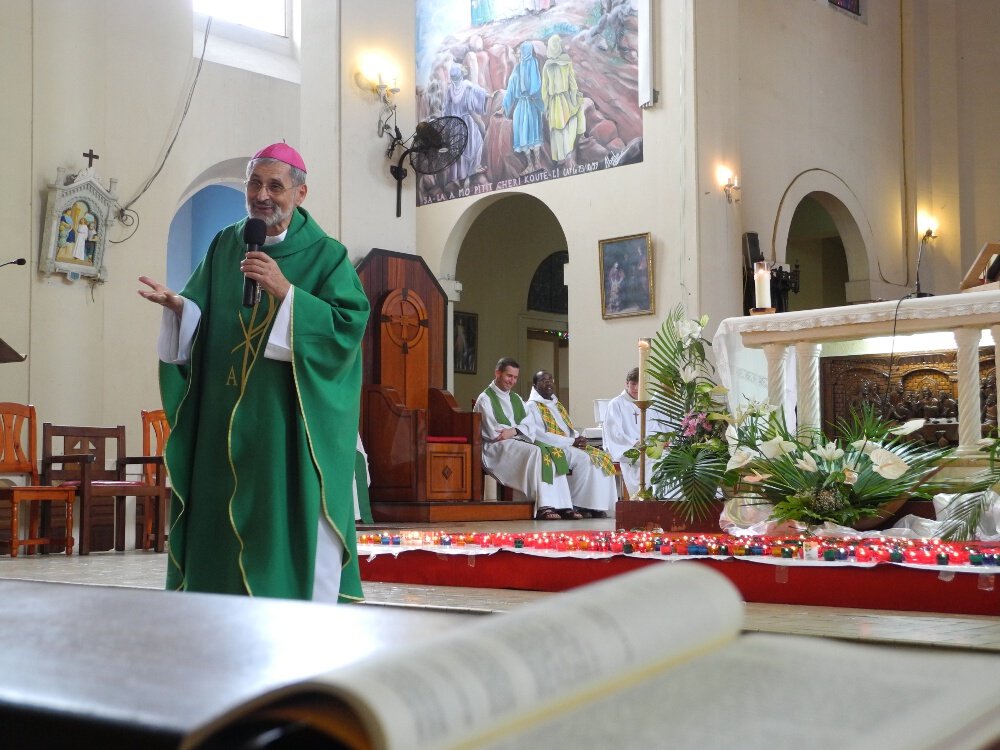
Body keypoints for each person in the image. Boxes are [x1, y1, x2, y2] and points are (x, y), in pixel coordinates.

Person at [137, 142, 370, 603]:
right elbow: (203, 311)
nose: (262, 195)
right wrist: (179, 308)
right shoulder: (227, 242)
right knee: (218, 520)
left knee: (276, 522)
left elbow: (347, 328)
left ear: (300, 193)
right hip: (220, 419)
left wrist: (287, 293)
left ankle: (288, 605)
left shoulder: (327, 256)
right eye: (255, 183)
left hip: (283, 423)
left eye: (275, 186)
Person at [474, 357, 575, 519]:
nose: (512, 381)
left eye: (515, 377)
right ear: (497, 373)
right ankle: (544, 506)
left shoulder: (516, 399)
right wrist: (516, 431)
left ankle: (563, 505)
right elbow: (494, 431)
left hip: (516, 439)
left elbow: (530, 425)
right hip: (495, 447)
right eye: (509, 376)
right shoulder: (485, 399)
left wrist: (514, 430)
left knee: (553, 451)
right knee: (537, 453)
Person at [527, 370, 617, 518]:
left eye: (551, 379)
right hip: (552, 446)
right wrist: (571, 441)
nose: (548, 383)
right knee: (584, 459)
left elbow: (566, 428)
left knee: (602, 457)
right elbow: (540, 434)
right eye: (543, 380)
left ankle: (594, 505)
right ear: (535, 385)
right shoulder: (532, 406)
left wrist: (578, 437)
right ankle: (576, 504)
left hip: (567, 443)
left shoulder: (556, 404)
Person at [603, 366, 668, 498]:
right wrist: (636, 443)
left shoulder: (648, 404)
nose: (636, 388)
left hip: (646, 447)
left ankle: (661, 498)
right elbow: (615, 433)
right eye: (633, 384)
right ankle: (643, 496)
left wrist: (659, 442)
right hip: (626, 447)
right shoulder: (616, 404)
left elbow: (655, 428)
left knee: (667, 457)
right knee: (650, 460)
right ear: (626, 384)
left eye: (640, 384)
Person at [540, 34, 586, 166]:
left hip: (554, 103)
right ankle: (570, 152)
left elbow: (545, 90)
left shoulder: (547, 66)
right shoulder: (566, 61)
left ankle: (561, 157)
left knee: (557, 129)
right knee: (569, 124)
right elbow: (572, 83)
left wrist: (546, 106)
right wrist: (574, 97)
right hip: (566, 99)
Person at [502, 41, 545, 175]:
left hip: (527, 105)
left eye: (520, 51)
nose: (518, 54)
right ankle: (533, 164)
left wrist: (505, 107)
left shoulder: (528, 64)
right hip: (527, 106)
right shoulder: (524, 66)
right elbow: (513, 88)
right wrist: (505, 107)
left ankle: (534, 164)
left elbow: (533, 84)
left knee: (528, 134)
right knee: (528, 135)